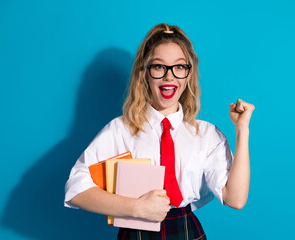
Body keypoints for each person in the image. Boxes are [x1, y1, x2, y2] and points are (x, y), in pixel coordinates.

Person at [64, 23, 255, 240]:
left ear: (188, 75)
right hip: (135, 232)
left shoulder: (207, 135)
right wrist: (137, 208)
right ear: (145, 74)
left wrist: (242, 131)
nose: (169, 76)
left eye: (179, 67)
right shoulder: (120, 129)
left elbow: (235, 199)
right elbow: (75, 190)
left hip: (186, 230)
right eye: (158, 67)